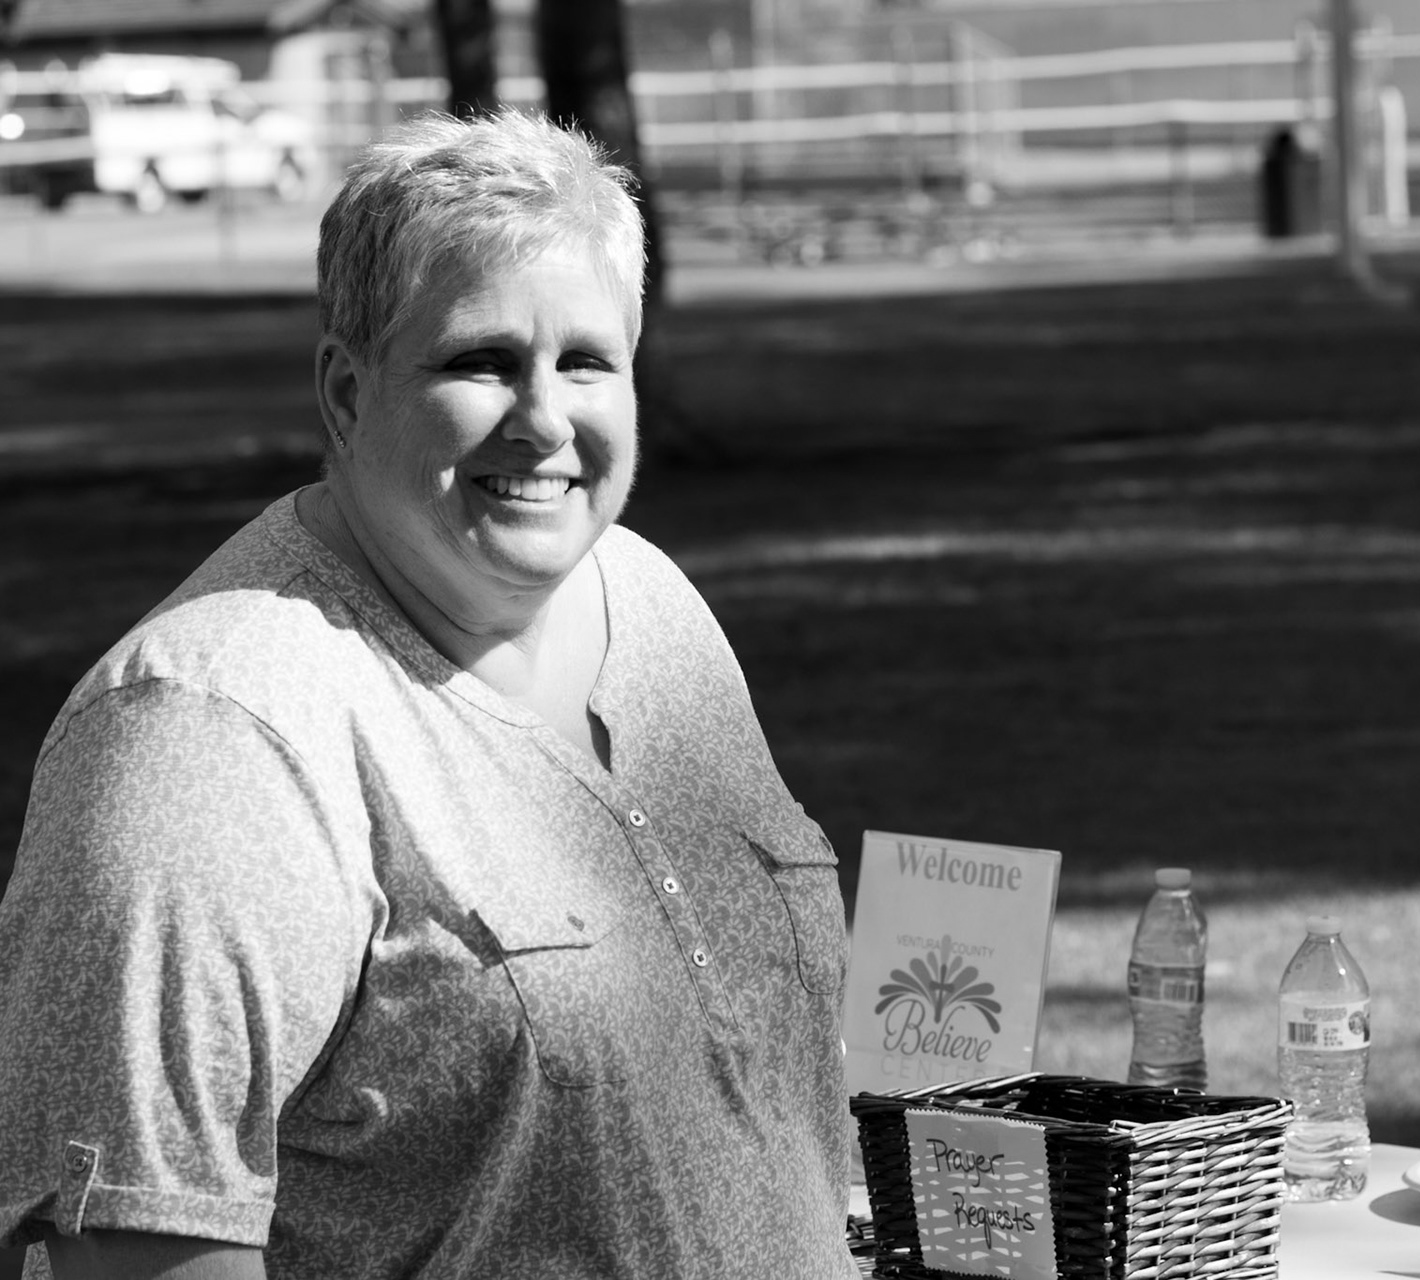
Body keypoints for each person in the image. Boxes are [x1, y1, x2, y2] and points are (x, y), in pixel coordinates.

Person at [0, 109, 855, 1279]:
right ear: (347, 392)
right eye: (479, 361)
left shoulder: (650, 598)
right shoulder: (207, 736)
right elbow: (135, 1255)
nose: (545, 420)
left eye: (587, 361)